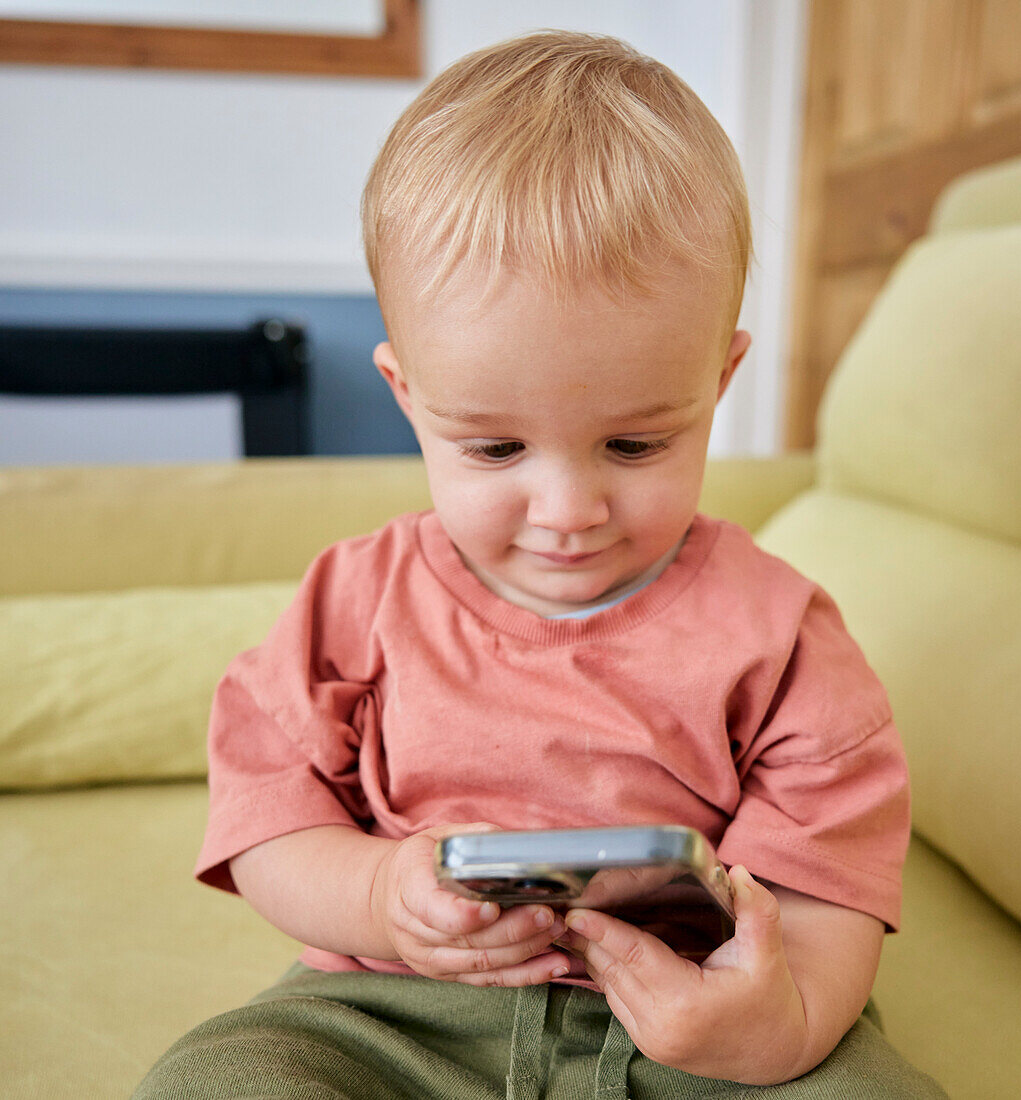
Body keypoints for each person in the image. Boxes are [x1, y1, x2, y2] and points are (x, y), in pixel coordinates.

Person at [135, 31, 946, 1099]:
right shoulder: (353, 601)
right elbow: (267, 824)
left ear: (719, 376)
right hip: (390, 1009)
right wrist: (382, 893)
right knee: (219, 1075)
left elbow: (826, 893)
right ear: (406, 396)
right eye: (495, 448)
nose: (567, 513)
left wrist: (775, 1030)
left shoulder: (782, 634)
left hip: (694, 1013)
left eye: (634, 444)